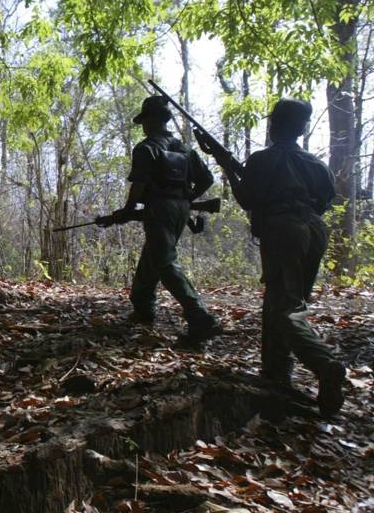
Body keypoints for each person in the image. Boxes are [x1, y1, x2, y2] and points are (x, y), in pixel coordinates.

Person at [193, 98, 346, 417]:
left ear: (275, 125)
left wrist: (226, 166)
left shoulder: (263, 160)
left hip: (284, 229)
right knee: (281, 300)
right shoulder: (315, 164)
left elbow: (248, 198)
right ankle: (277, 372)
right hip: (313, 229)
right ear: (301, 128)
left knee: (286, 307)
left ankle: (324, 363)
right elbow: (324, 201)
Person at [99, 95, 221, 347]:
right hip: (181, 209)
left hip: (160, 209)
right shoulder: (184, 149)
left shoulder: (146, 149)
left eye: (145, 120)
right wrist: (187, 199)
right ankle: (143, 305)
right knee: (155, 254)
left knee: (164, 261)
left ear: (153, 120)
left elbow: (140, 185)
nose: (143, 125)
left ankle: (199, 316)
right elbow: (207, 178)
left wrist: (127, 210)